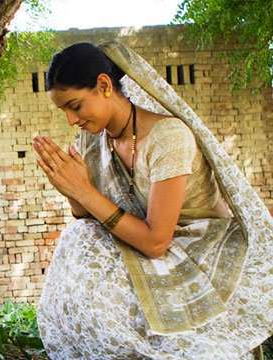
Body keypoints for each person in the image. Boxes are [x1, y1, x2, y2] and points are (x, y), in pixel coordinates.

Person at [33, 41, 273, 359]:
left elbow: (157, 241)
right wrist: (70, 189)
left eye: (75, 106)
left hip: (197, 249)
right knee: (80, 239)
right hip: (143, 246)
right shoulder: (95, 142)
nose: (70, 120)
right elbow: (88, 217)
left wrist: (84, 191)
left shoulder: (167, 137)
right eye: (62, 110)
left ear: (104, 85)